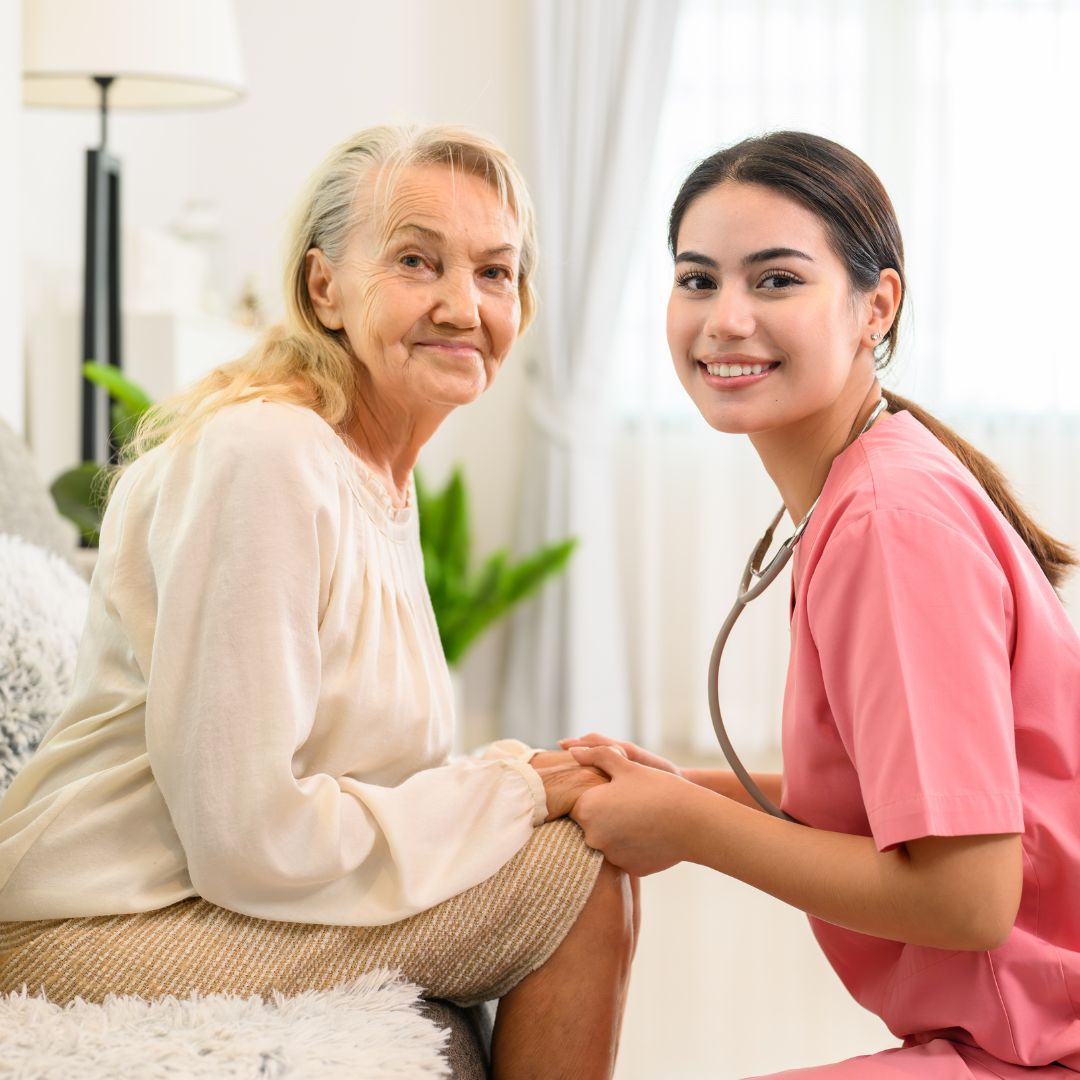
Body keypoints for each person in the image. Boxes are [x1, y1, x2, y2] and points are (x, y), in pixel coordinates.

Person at [0, 125, 636, 1080]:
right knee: (575, 882)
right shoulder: (268, 458)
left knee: (570, 843)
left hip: (192, 900)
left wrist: (521, 776)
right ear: (322, 288)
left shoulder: (373, 470)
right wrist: (510, 789)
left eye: (496, 273)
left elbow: (351, 766)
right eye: (417, 261)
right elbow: (246, 835)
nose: (464, 305)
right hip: (87, 927)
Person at [563, 131, 1080, 1078]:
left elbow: (968, 898)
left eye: (775, 281)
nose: (723, 319)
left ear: (874, 305)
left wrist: (689, 828)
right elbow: (895, 806)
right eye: (695, 279)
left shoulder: (891, 523)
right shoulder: (872, 486)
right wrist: (676, 789)